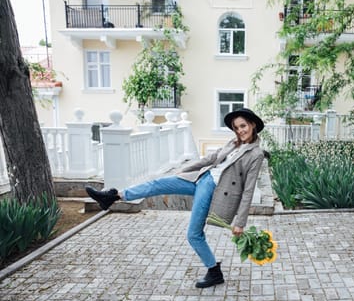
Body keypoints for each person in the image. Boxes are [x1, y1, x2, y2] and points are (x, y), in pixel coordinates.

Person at [85, 108, 265, 288]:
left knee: (194, 235)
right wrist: (185, 169)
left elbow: (248, 190)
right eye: (236, 127)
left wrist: (240, 222)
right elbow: (211, 158)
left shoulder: (256, 154)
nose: (240, 130)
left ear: (252, 124)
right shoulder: (233, 143)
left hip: (213, 189)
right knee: (157, 184)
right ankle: (114, 196)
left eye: (243, 126)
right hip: (201, 177)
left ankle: (214, 271)